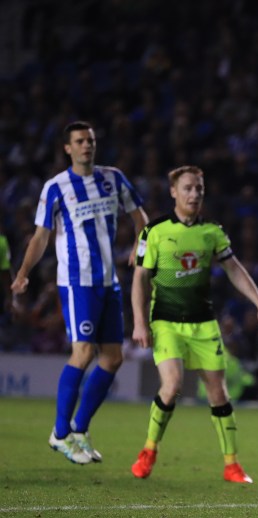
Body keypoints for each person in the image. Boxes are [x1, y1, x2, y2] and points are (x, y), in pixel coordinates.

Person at [11, 121, 147, 464]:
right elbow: (41, 236)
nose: (87, 145)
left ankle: (80, 429)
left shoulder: (113, 178)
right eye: (79, 141)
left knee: (113, 358)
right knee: (83, 352)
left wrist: (139, 246)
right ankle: (59, 434)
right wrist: (24, 273)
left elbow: (140, 217)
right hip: (76, 281)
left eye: (91, 140)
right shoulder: (56, 187)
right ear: (67, 148)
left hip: (108, 282)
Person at [129, 165, 258, 483]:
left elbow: (234, 269)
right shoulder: (153, 231)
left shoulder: (212, 231)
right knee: (172, 386)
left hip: (203, 322)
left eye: (199, 189)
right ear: (173, 192)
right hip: (166, 320)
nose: (194, 194)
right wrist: (140, 322)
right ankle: (149, 450)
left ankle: (232, 464)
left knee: (218, 394)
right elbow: (140, 278)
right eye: (188, 188)